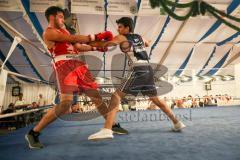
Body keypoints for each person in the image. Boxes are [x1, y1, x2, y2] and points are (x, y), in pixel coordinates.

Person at [25, 6, 128, 149]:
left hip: (78, 64)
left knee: (96, 96)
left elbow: (77, 46)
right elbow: (73, 38)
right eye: (61, 16)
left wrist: (96, 48)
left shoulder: (64, 30)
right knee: (65, 104)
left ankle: (112, 125)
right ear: (52, 17)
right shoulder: (49, 32)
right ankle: (33, 133)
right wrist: (95, 36)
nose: (63, 19)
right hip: (63, 65)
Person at [88, 17, 186, 140]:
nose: (118, 29)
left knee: (116, 96)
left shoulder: (121, 37)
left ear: (127, 28)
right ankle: (177, 123)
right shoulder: (139, 37)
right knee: (156, 100)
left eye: (120, 27)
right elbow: (148, 43)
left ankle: (107, 129)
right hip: (148, 69)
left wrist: (90, 40)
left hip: (138, 69)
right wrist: (144, 43)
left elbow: (105, 46)